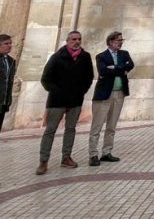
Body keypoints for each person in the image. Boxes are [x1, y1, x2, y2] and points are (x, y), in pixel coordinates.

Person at [36, 31, 94, 175]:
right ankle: (43, 160)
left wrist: (81, 91)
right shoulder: (57, 57)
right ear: (67, 40)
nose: (77, 42)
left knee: (71, 129)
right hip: (57, 101)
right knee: (50, 130)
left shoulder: (85, 57)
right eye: (74, 39)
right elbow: (45, 79)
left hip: (75, 99)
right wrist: (57, 92)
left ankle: (66, 157)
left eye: (79, 39)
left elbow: (89, 77)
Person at [89, 31, 134, 166]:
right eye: (118, 40)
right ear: (110, 41)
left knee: (112, 125)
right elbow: (103, 71)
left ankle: (107, 152)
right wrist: (121, 69)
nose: (120, 42)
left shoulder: (124, 54)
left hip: (119, 93)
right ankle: (93, 154)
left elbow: (130, 65)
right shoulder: (101, 56)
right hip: (104, 95)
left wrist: (114, 68)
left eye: (122, 40)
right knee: (97, 126)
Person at [0, 34, 16, 132]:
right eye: (6, 43)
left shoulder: (11, 61)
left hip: (3, 102)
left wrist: (8, 100)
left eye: (10, 43)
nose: (9, 46)